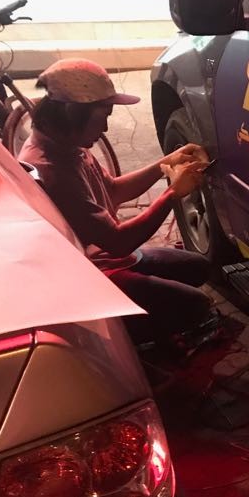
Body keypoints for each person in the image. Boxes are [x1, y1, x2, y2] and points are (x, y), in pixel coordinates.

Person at [18, 58, 215, 347]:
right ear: (73, 114)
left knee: (198, 267)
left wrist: (165, 163)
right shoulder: (51, 168)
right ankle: (136, 349)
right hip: (91, 276)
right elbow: (120, 241)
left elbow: (112, 190)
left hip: (106, 255)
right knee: (196, 307)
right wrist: (173, 193)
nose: (106, 128)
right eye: (103, 117)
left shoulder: (67, 144)